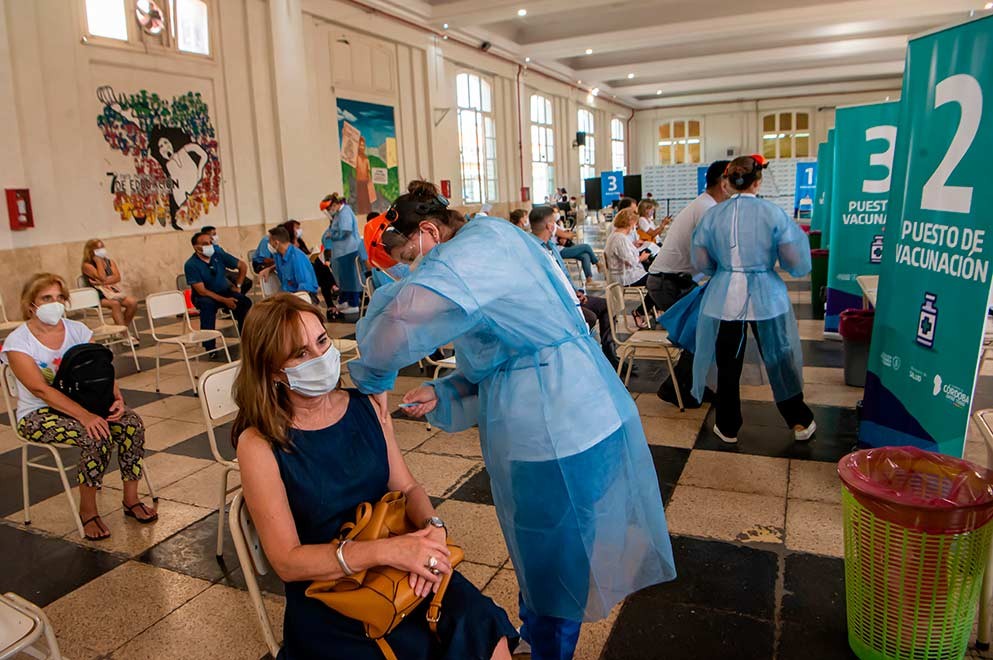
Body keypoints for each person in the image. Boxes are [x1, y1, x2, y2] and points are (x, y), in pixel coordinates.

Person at [349, 180, 676, 660]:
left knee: (556, 559)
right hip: (583, 403)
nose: (415, 270)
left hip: (552, 427)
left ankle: (547, 649)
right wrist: (444, 390)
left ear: (430, 232)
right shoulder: (495, 235)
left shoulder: (464, 258)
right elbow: (507, 346)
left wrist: (372, 375)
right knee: (557, 552)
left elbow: (393, 333)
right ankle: (539, 636)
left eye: (412, 257)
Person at [232, 294, 517, 660]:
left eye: (322, 341)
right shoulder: (259, 444)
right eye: (300, 354)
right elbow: (287, 562)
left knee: (483, 628)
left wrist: (433, 528)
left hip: (400, 562)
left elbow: (407, 486)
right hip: (330, 591)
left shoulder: (365, 405)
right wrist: (388, 551)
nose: (320, 357)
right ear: (272, 371)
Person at [1, 274, 156, 540]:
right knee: (95, 436)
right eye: (46, 298)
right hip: (38, 413)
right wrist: (85, 416)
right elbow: (40, 390)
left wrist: (116, 399)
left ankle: (131, 499)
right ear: (31, 304)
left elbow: (102, 371)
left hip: (86, 403)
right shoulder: (18, 341)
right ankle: (88, 511)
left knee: (132, 424)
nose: (55, 303)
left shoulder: (78, 330)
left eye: (59, 297)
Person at [691, 155, 816, 444]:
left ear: (728, 182)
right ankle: (798, 419)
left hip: (725, 295)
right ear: (757, 182)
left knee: (727, 361)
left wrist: (724, 269)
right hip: (766, 294)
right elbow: (794, 259)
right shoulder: (773, 213)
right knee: (779, 356)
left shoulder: (713, 216)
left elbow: (701, 260)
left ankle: (727, 425)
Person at [649, 160, 730, 408]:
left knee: (704, 331)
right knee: (702, 332)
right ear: (723, 183)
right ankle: (674, 387)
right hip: (668, 282)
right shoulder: (707, 208)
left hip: (674, 280)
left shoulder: (706, 205)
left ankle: (691, 386)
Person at [529, 206, 619, 367]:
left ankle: (610, 354)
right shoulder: (532, 250)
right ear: (550, 226)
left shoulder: (551, 246)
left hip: (569, 295)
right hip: (555, 302)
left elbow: (564, 275)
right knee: (589, 317)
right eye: (554, 222)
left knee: (606, 306)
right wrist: (568, 296)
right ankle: (581, 357)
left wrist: (576, 291)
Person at [184, 231, 252, 352]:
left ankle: (246, 339)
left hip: (224, 291)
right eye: (205, 244)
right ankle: (210, 346)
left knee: (245, 302)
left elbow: (242, 265)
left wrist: (238, 286)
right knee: (207, 305)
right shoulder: (191, 265)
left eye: (210, 242)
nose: (209, 246)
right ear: (196, 247)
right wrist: (225, 301)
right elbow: (202, 291)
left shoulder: (218, 254)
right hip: (204, 296)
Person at [260, 227, 327, 316]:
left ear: (276, 243)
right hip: (287, 294)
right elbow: (283, 265)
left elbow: (305, 287)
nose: (269, 244)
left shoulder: (297, 258)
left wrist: (289, 300)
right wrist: (269, 269)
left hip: (302, 296)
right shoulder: (278, 255)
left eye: (270, 241)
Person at [605, 207, 652, 328]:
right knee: (658, 282)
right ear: (630, 223)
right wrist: (642, 257)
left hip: (624, 273)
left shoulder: (616, 236)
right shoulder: (620, 238)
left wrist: (633, 246)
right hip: (626, 276)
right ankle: (641, 311)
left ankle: (647, 309)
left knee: (657, 280)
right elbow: (631, 261)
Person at [283, 220, 340, 318]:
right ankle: (333, 288)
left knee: (322, 269)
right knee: (322, 271)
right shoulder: (289, 248)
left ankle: (332, 295)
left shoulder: (300, 242)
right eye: (296, 228)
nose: (299, 230)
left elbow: (306, 253)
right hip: (303, 272)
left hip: (309, 267)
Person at [320, 193, 365, 314]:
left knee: (351, 278)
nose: (329, 211)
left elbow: (346, 231)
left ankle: (353, 303)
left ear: (335, 204)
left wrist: (332, 236)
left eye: (329, 209)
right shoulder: (338, 214)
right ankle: (344, 300)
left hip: (349, 250)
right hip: (341, 252)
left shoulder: (345, 213)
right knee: (343, 278)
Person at [81, 239, 138, 329]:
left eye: (102, 247)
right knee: (115, 304)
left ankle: (123, 328)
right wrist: (98, 262)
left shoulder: (110, 262)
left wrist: (101, 282)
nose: (102, 250)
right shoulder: (87, 265)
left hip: (111, 292)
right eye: (98, 248)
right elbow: (103, 277)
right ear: (91, 251)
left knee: (132, 302)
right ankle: (124, 333)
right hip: (97, 296)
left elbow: (117, 277)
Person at [201, 225, 253, 295]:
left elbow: (240, 265)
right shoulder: (207, 250)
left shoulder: (217, 248)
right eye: (214, 234)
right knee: (229, 287)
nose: (216, 237)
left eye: (215, 234)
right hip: (213, 274)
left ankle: (238, 297)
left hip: (224, 271)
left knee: (246, 282)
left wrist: (239, 285)